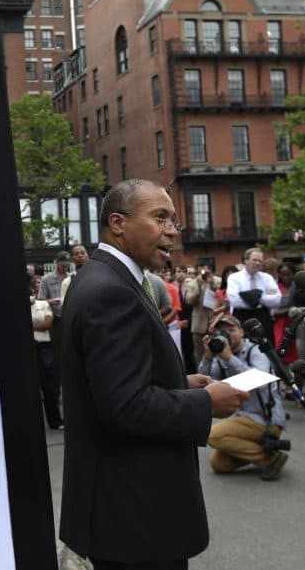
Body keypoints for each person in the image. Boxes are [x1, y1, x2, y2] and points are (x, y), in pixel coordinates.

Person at [59, 179, 248, 570]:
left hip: (129, 511)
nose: (172, 231)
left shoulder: (111, 279)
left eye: (175, 221)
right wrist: (205, 403)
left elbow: (116, 384)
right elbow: (125, 407)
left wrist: (180, 384)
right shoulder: (109, 290)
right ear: (118, 223)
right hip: (132, 514)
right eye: (160, 217)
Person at [199, 316, 289, 481]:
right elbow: (204, 384)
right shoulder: (220, 356)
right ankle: (265, 449)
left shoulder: (256, 350)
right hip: (242, 417)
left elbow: (259, 382)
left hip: (266, 418)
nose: (228, 336)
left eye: (231, 330)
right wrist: (208, 357)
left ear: (241, 332)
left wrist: (229, 359)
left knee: (212, 435)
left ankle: (271, 458)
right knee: (219, 464)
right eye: (222, 333)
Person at [30, 275, 63, 429]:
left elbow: (48, 323)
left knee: (50, 386)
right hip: (33, 346)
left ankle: (55, 420)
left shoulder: (43, 304)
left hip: (44, 345)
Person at [226, 248, 280, 339]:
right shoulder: (234, 278)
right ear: (246, 260)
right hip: (242, 318)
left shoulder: (267, 278)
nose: (258, 263)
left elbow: (276, 299)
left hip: (263, 319)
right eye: (254, 260)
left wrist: (258, 298)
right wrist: (261, 299)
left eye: (260, 261)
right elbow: (234, 300)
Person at [272, 262, 299, 365]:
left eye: (288, 274)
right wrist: (288, 310)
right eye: (283, 274)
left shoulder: (297, 287)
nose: (286, 277)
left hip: (294, 322)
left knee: (294, 347)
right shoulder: (275, 288)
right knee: (281, 345)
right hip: (280, 322)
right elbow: (272, 309)